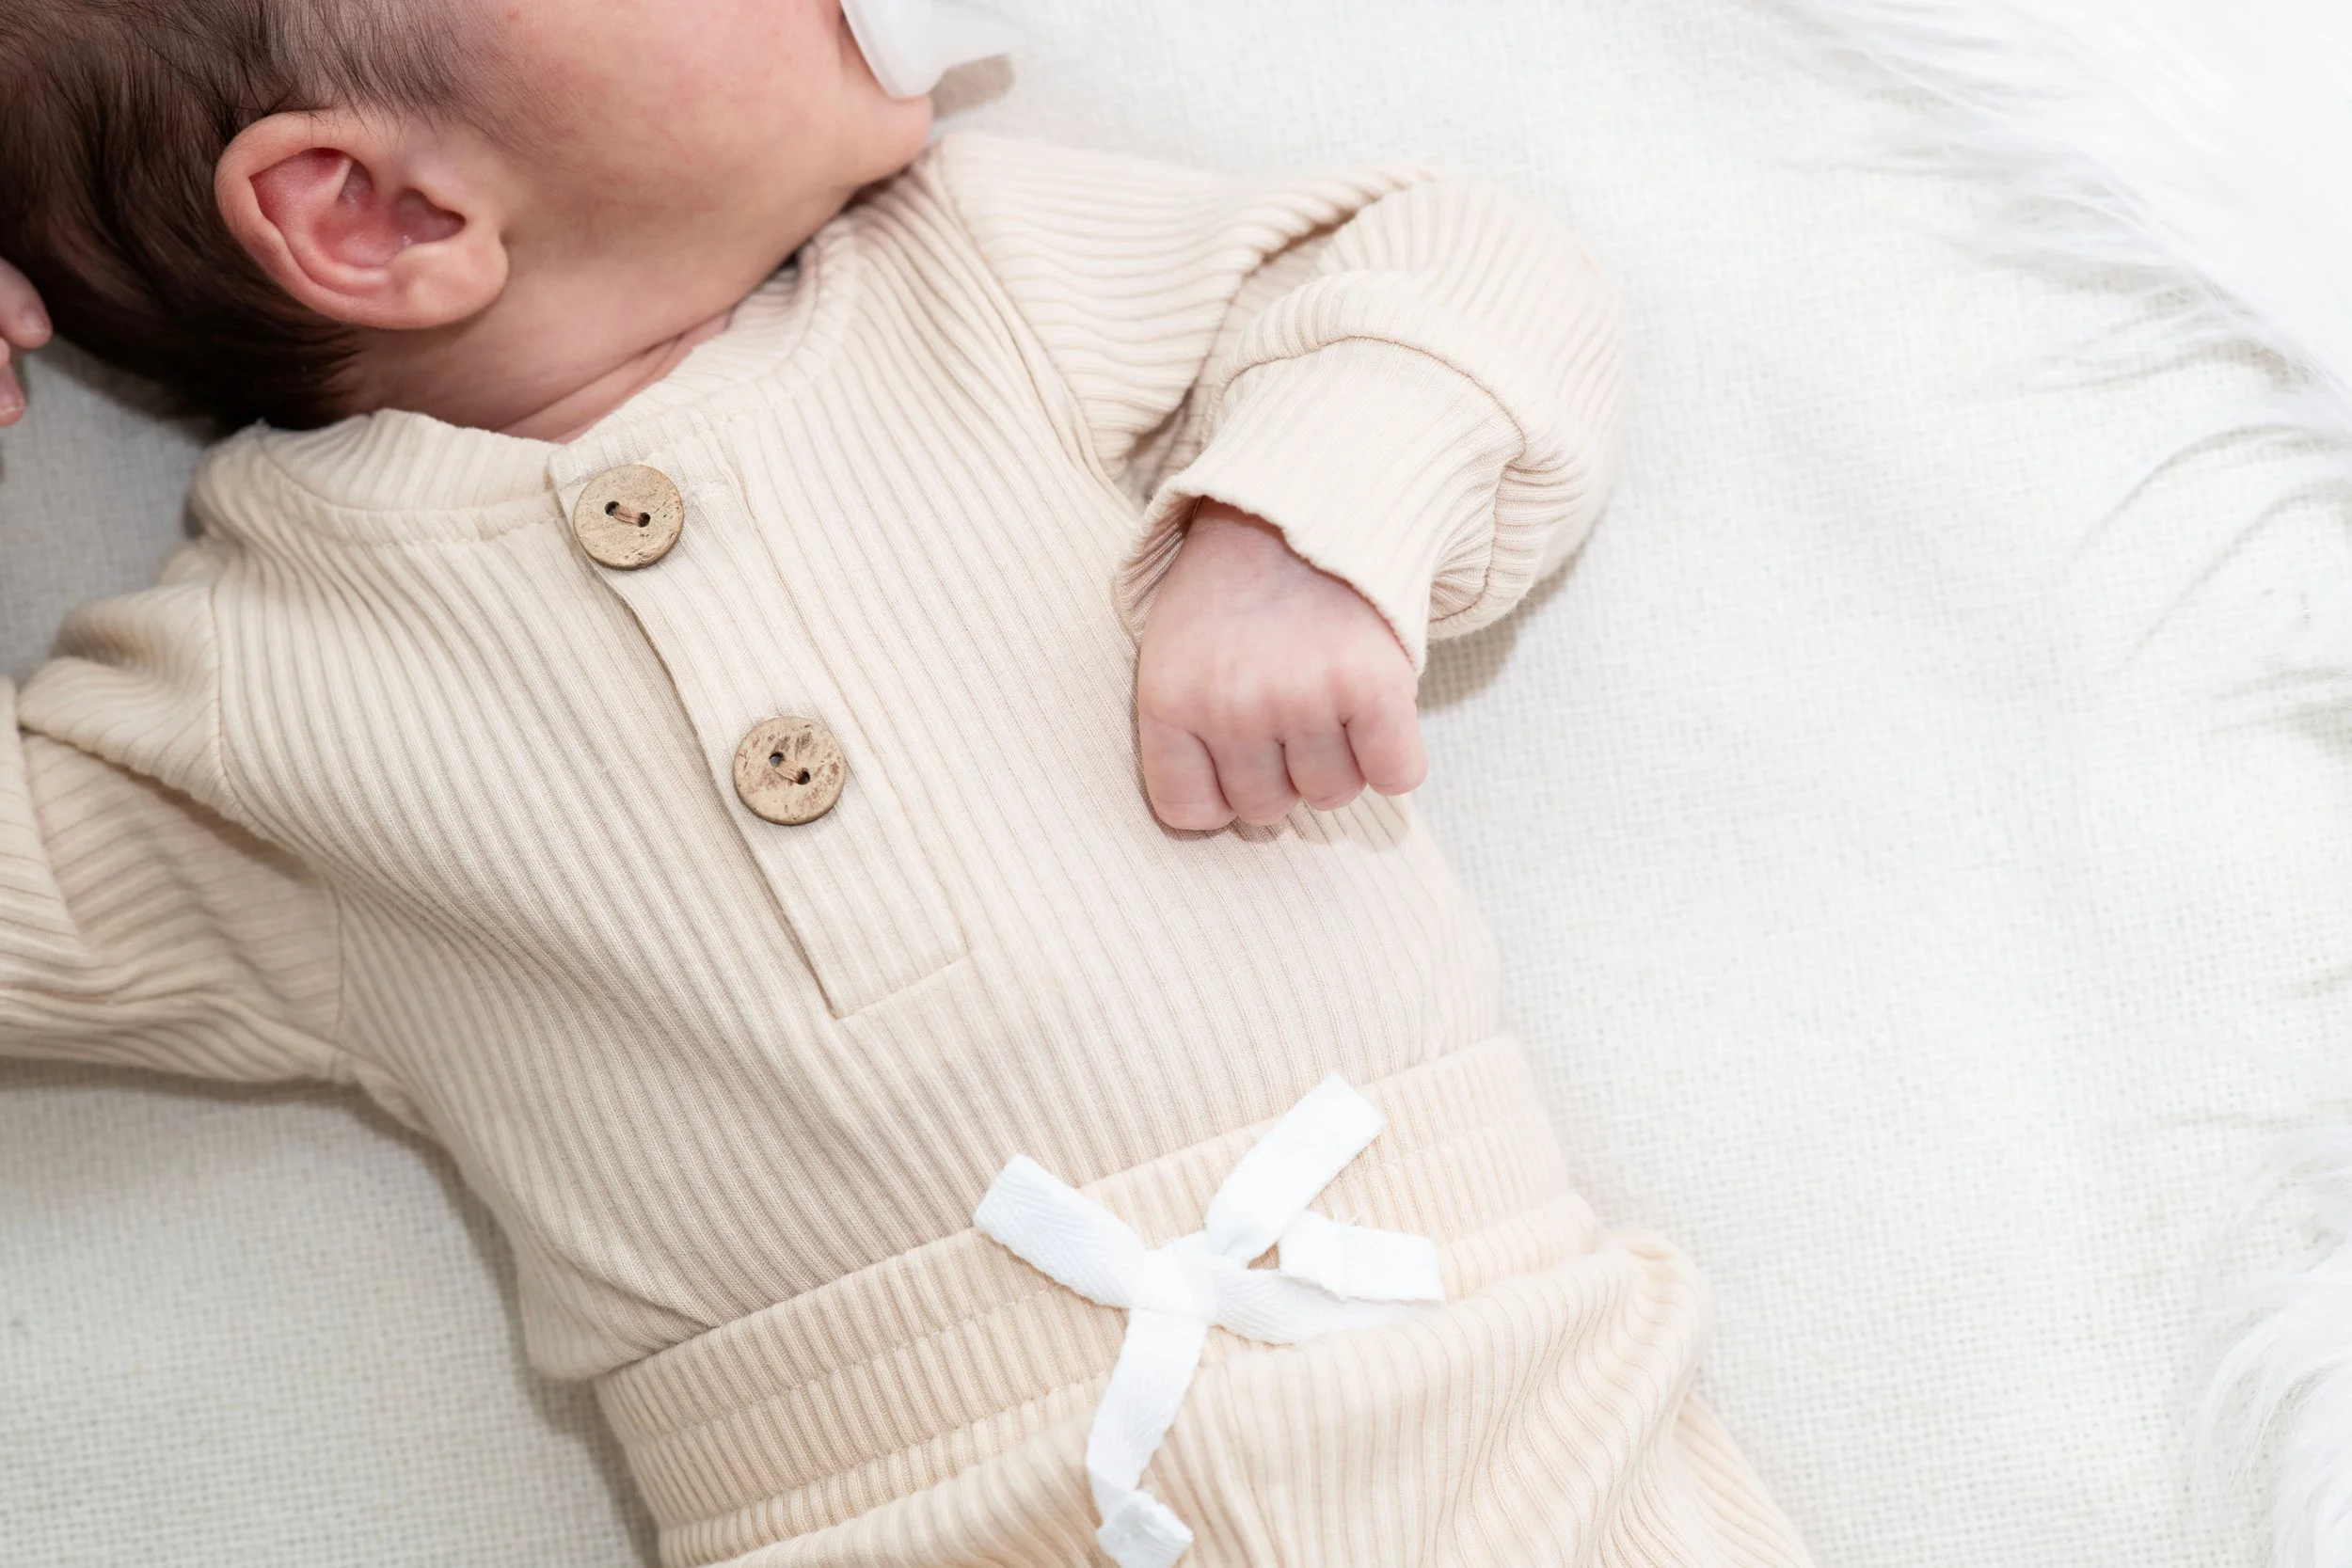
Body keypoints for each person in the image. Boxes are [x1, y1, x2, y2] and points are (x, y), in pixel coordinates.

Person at [0, 2, 1812, 1562]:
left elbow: (1458, 257)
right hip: (879, 1511)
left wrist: (1309, 522)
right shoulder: (254, 693)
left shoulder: (984, 268)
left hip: (1494, 1398)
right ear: (378, 210)